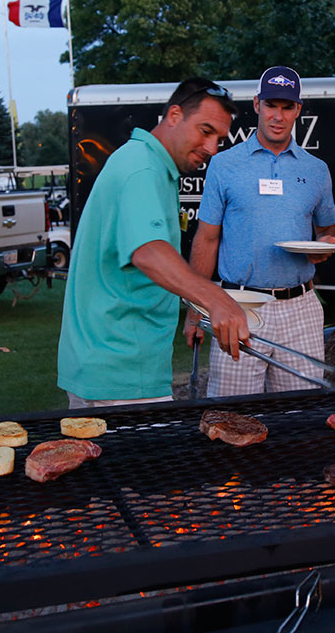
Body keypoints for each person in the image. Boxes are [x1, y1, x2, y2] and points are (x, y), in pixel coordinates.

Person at [57, 77, 251, 408]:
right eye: (205, 131)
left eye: (219, 138)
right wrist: (214, 299)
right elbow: (148, 251)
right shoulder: (142, 168)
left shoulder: (148, 164)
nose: (212, 148)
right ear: (174, 115)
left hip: (116, 365)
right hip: (120, 373)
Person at [184, 66, 335, 396]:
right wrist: (195, 312)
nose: (278, 116)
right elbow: (206, 239)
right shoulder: (224, 164)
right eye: (271, 105)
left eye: (287, 107)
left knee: (301, 416)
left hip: (300, 306)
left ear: (298, 109)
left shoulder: (316, 170)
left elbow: (330, 229)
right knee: (231, 414)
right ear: (257, 105)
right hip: (239, 305)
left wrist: (327, 243)